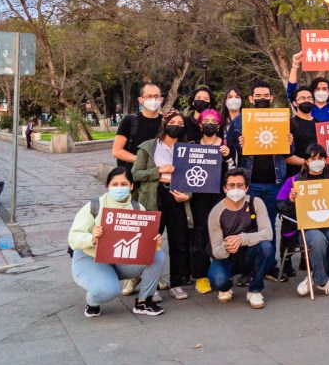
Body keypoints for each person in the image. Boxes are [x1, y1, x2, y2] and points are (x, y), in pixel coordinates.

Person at [68, 167, 167, 317]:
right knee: (107, 291)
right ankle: (92, 302)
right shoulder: (94, 206)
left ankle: (144, 301)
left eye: (124, 184)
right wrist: (92, 238)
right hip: (91, 258)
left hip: (121, 258)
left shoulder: (137, 208)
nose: (119, 188)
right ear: (107, 186)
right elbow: (73, 238)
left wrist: (154, 240)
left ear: (131, 186)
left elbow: (144, 241)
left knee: (157, 256)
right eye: (114, 184)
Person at [224, 81, 288, 279]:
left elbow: (289, 151)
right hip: (250, 183)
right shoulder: (240, 121)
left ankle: (270, 266)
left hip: (274, 182)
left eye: (265, 95)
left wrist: (290, 142)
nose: (262, 99)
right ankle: (248, 268)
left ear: (271, 98)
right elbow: (229, 150)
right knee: (248, 225)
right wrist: (239, 145)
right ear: (251, 99)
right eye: (258, 96)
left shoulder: (280, 119)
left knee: (269, 224)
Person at [132, 110, 193, 300]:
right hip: (154, 196)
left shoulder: (188, 149)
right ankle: (151, 286)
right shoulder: (149, 147)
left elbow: (196, 177)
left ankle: (177, 284)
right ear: (164, 124)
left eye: (180, 124)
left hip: (177, 197)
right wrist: (158, 171)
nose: (176, 127)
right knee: (151, 242)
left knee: (179, 243)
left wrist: (187, 195)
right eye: (173, 123)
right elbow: (136, 174)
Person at [276, 144, 329, 296]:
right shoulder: (294, 181)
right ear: (306, 161)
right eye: (312, 158)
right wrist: (291, 200)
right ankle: (323, 282)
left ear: (325, 160)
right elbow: (279, 206)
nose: (317, 161)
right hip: (306, 226)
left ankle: (315, 277)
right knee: (318, 241)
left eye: (320, 158)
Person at [208, 168, 275, 308]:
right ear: (225, 188)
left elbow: (268, 233)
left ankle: (255, 290)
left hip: (250, 252)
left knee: (267, 247)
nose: (236, 189)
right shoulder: (216, 212)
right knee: (218, 281)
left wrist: (241, 239)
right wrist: (226, 247)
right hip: (227, 257)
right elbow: (216, 250)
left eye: (240, 185)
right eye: (231, 185)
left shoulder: (256, 203)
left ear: (247, 188)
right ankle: (226, 287)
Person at [190, 108, 229, 294]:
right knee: (199, 234)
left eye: (214, 122)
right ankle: (200, 276)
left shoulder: (226, 145)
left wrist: (228, 156)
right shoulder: (192, 145)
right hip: (199, 198)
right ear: (200, 125)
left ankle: (221, 270)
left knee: (221, 232)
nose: (210, 125)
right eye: (206, 121)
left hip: (221, 197)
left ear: (219, 125)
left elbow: (234, 171)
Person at [286, 53, 329, 122]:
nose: (321, 91)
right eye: (318, 89)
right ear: (313, 92)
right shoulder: (305, 107)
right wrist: (295, 66)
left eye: (324, 89)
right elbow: (292, 92)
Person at [111, 82, 164, 169]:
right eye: (149, 96)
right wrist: (142, 161)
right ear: (140, 100)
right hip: (132, 172)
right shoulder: (130, 120)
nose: (153, 99)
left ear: (161, 99)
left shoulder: (165, 122)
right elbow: (116, 151)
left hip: (158, 173)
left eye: (156, 96)